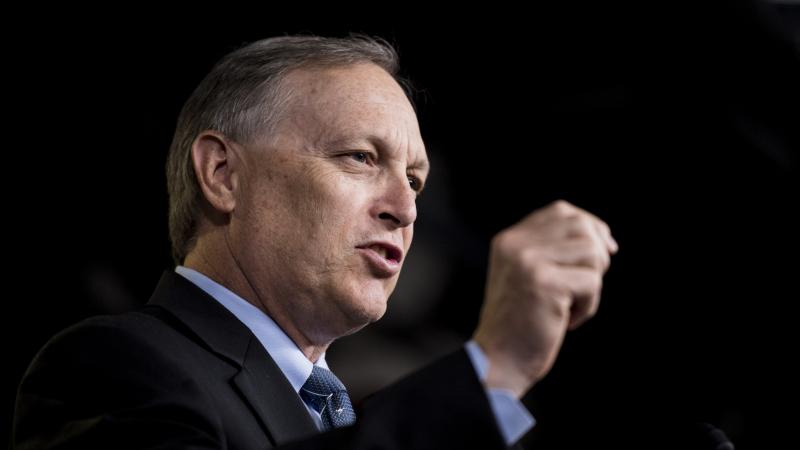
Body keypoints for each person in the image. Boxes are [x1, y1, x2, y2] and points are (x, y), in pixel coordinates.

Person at [11, 35, 618, 450]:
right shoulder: (113, 366)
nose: (406, 209)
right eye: (360, 157)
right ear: (223, 175)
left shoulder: (342, 411)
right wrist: (494, 370)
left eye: (414, 180)